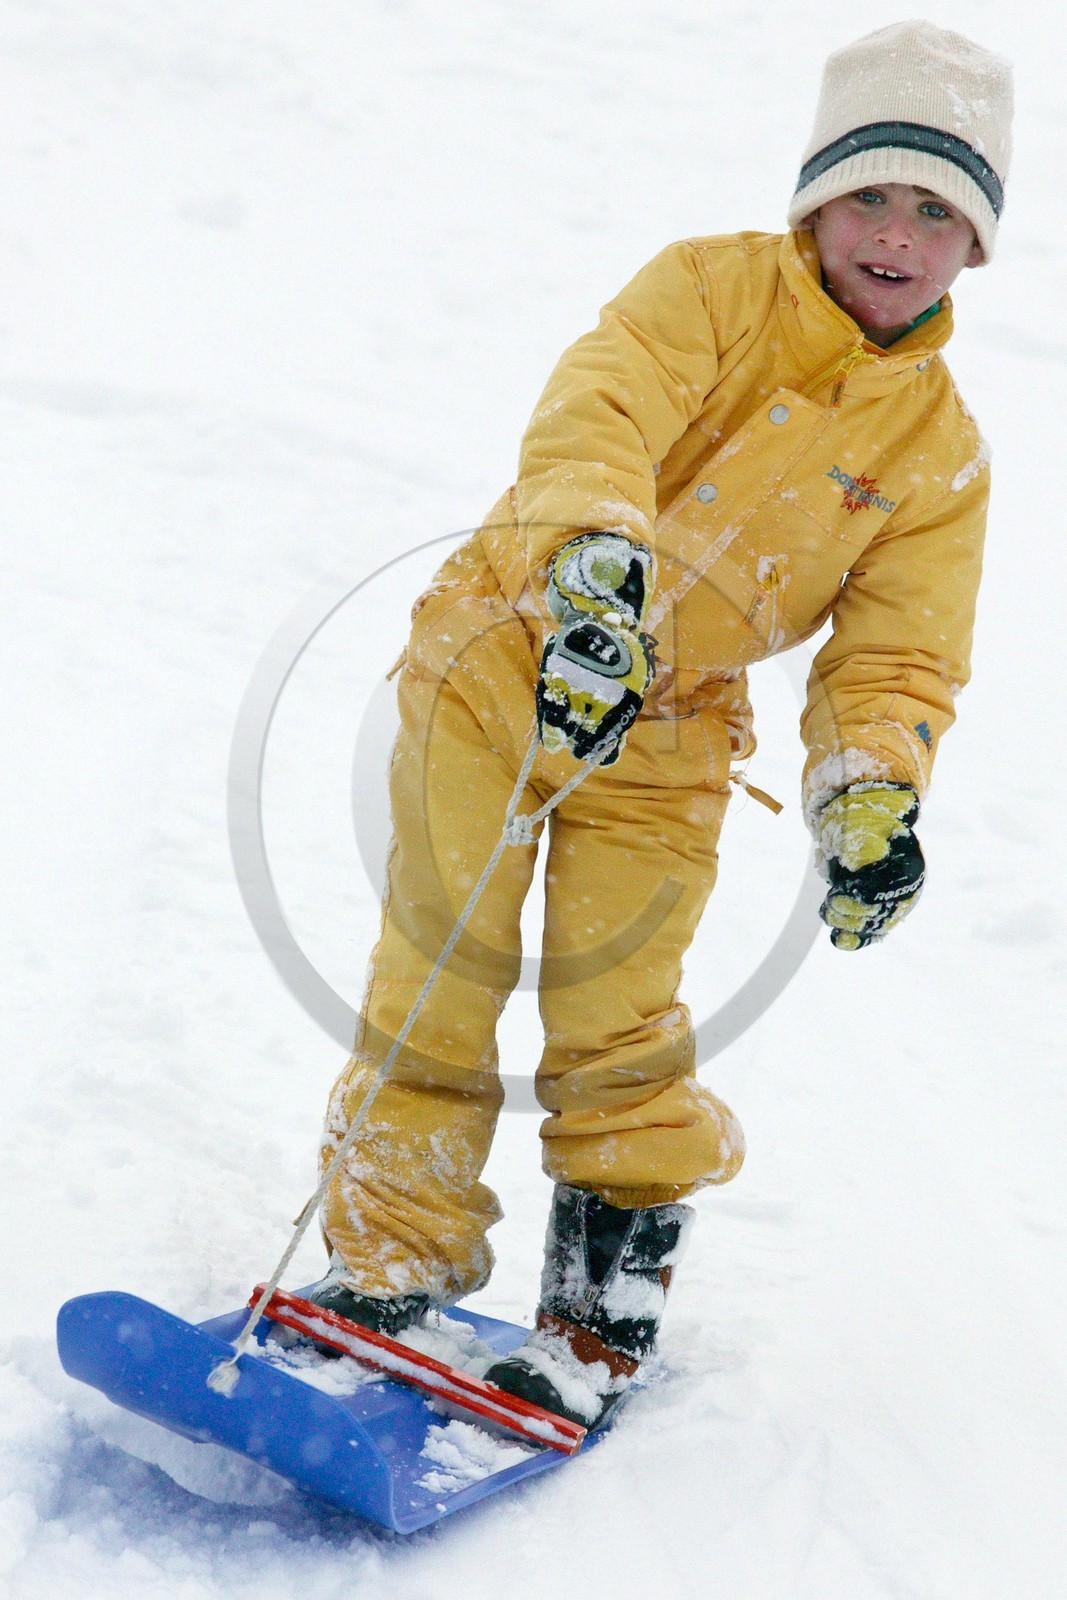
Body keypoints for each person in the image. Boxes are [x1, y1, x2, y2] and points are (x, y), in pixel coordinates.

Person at [308, 22, 1014, 1427]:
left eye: (938, 211)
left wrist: (870, 788)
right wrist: (593, 557)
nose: (896, 233)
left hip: (678, 720)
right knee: (443, 956)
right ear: (815, 200)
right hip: (512, 644)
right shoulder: (706, 287)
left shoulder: (937, 455)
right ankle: (388, 1266)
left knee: (618, 1008)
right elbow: (602, 408)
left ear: (973, 250)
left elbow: (898, 654)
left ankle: (598, 1315)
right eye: (872, 193)